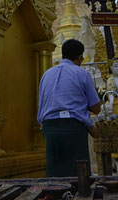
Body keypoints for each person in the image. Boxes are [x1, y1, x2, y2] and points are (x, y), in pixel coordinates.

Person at [37, 39, 102, 177]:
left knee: (55, 173)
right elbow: (96, 108)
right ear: (80, 58)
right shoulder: (81, 73)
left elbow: (42, 105)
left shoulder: (46, 75)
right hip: (73, 128)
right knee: (79, 174)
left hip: (50, 128)